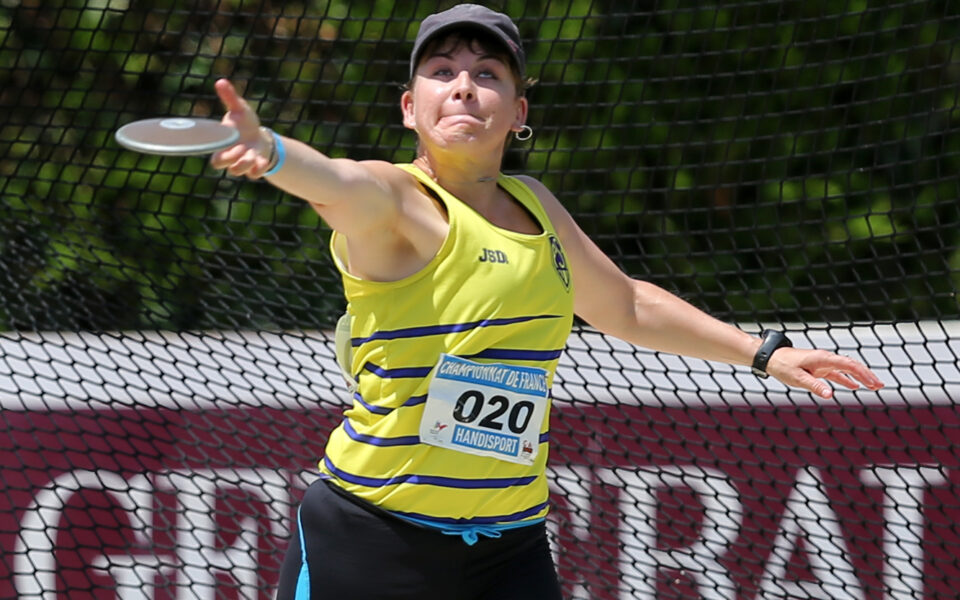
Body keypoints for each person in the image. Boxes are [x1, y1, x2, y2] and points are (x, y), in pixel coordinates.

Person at [210, 4, 885, 599]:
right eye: (442, 71)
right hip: (372, 538)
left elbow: (625, 305)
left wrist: (763, 353)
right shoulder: (397, 200)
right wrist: (268, 151)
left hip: (509, 546)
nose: (464, 87)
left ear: (518, 110)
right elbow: (333, 180)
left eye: (488, 74)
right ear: (410, 106)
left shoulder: (538, 207)